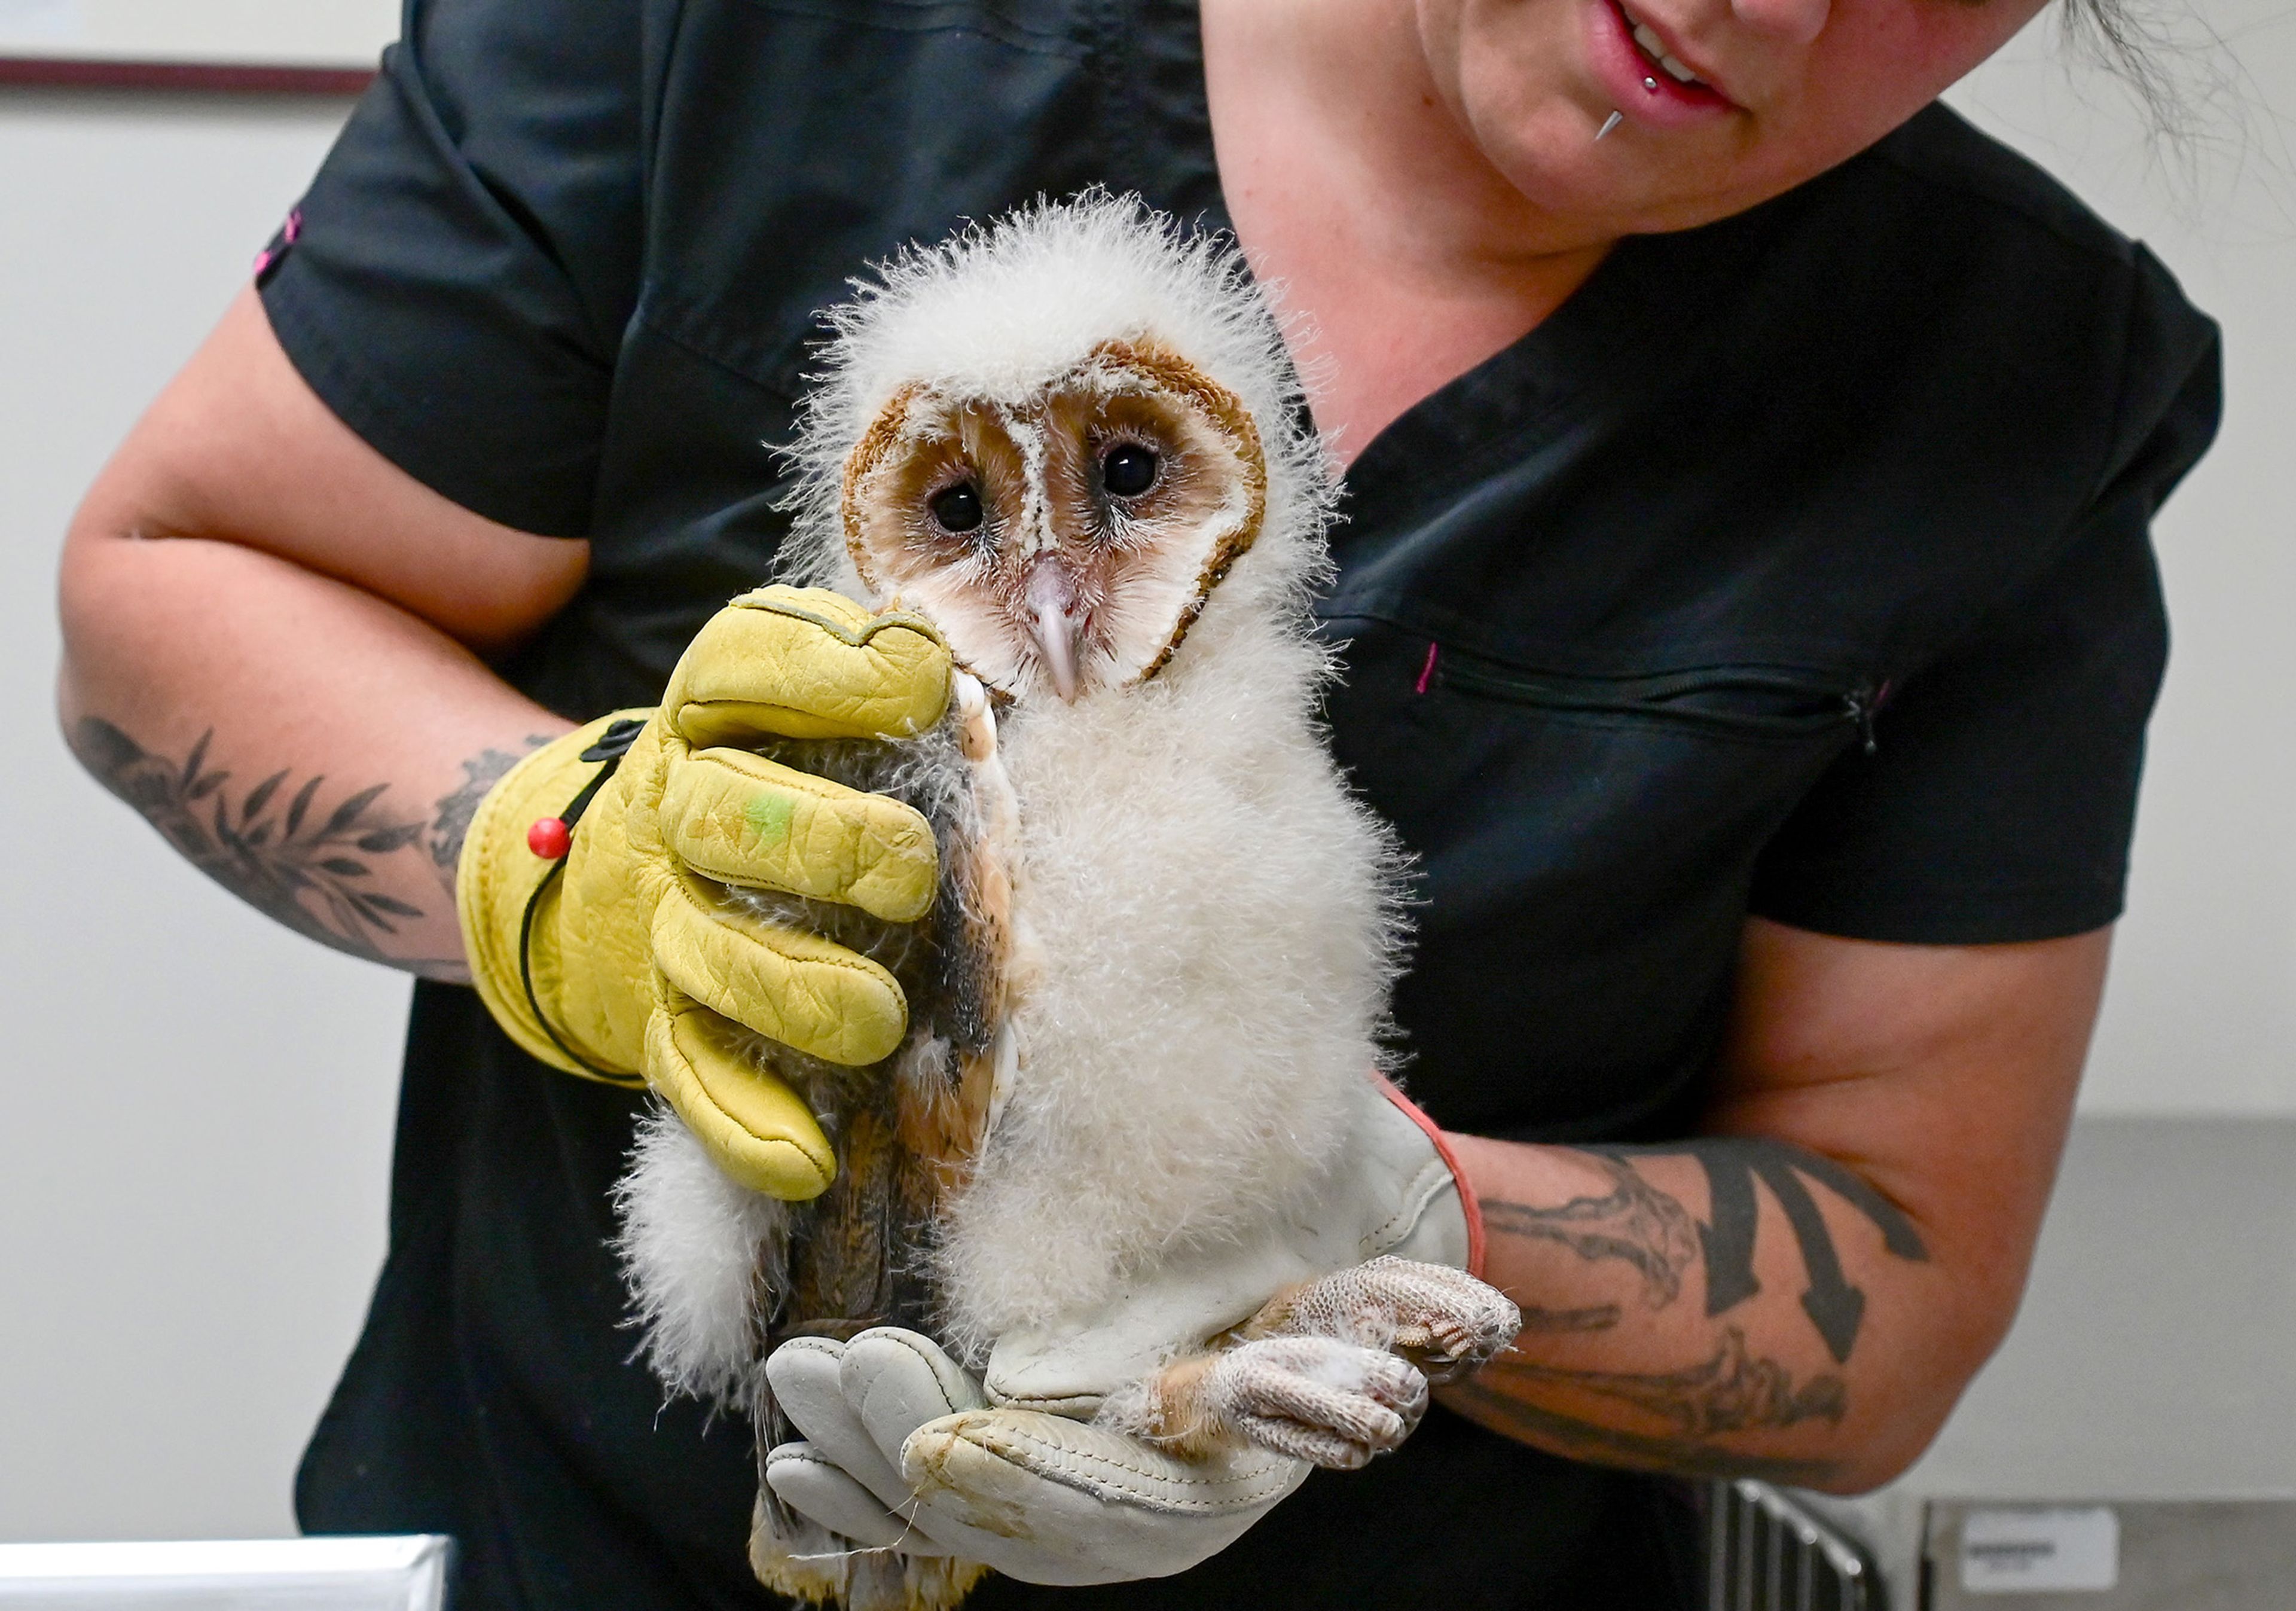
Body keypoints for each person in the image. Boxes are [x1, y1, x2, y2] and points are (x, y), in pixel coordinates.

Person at [56, 0, 2219, 1606]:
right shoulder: (750, 38)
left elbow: (1894, 1288)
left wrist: (1349, 1223)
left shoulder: (2009, 380)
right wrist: (574, 875)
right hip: (595, 1542)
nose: (1767, 3)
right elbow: (171, 591)